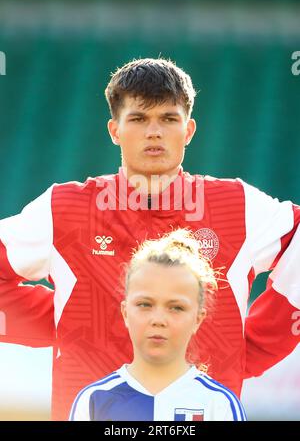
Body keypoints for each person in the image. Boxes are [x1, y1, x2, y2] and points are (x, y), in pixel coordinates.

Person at [0, 58, 299, 421]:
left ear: (188, 130)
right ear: (114, 130)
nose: (154, 132)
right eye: (139, 119)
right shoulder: (65, 209)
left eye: (168, 119)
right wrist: (63, 320)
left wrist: (254, 347)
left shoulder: (238, 206)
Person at [70, 229, 246, 421]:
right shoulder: (94, 400)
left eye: (176, 308)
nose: (158, 319)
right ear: (125, 312)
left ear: (198, 319)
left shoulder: (218, 404)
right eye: (145, 304)